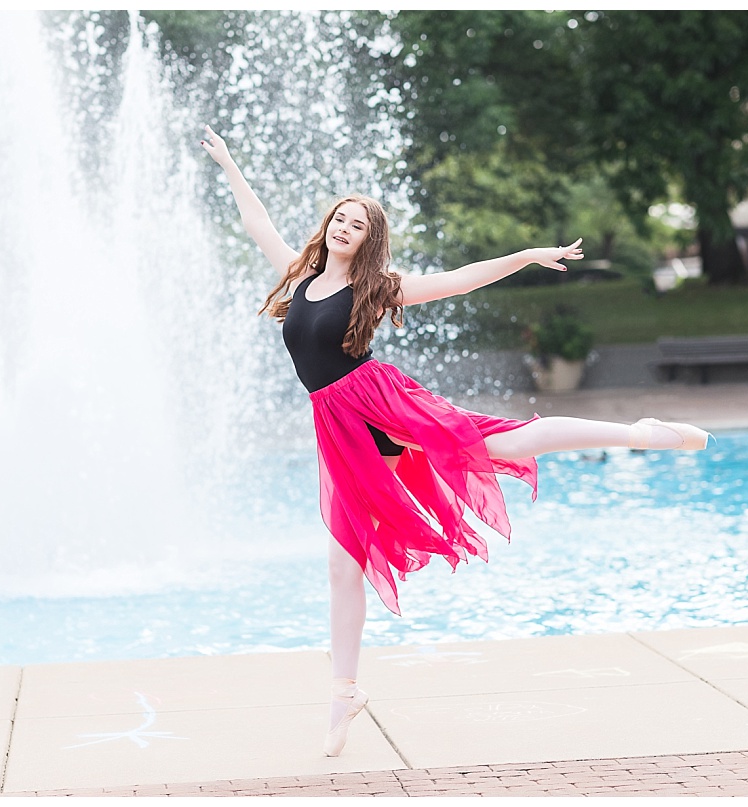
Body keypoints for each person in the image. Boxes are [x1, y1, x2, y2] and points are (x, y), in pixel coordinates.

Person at [200, 124, 712, 757]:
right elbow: (257, 222)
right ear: (327, 225)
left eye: (358, 225)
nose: (345, 228)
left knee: (500, 443)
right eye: (340, 219)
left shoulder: (377, 288)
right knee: (342, 564)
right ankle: (344, 694)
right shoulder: (299, 277)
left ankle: (640, 434)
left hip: (379, 405)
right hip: (338, 426)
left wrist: (525, 256)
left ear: (369, 239)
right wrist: (230, 163)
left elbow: (462, 278)